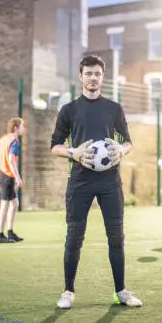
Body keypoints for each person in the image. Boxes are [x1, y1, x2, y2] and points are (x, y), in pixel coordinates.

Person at [50, 54, 142, 309]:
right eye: (88, 73)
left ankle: (120, 291)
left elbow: (128, 142)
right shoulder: (69, 110)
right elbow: (55, 146)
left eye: (98, 74)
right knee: (74, 237)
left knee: (116, 237)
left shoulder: (114, 109)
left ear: (103, 77)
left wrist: (121, 151)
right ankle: (68, 292)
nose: (93, 78)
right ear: (81, 76)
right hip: (80, 181)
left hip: (110, 182)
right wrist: (74, 153)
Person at [0, 117, 25, 243]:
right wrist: (18, 178)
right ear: (16, 128)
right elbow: (11, 161)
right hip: (7, 176)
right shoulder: (14, 142)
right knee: (4, 205)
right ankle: (0, 235)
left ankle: (10, 232)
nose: (24, 129)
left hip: (1, 174)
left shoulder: (2, 140)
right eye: (22, 126)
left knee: (15, 203)